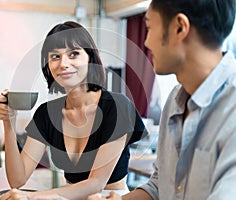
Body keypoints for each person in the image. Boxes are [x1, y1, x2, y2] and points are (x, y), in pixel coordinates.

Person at [89, 0, 236, 200]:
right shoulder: (175, 101)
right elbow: (161, 187)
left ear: (179, 27)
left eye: (149, 27)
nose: (146, 42)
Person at [0, 21, 147, 200]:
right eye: (55, 57)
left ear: (90, 58)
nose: (63, 64)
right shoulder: (47, 114)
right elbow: (17, 180)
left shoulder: (117, 106)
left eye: (73, 54)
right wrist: (8, 122)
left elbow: (95, 184)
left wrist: (33, 197)